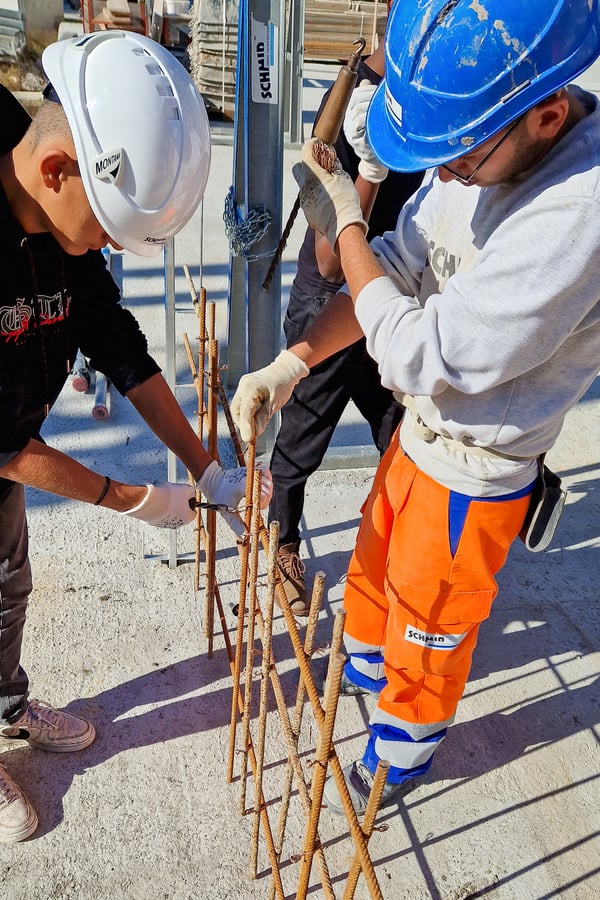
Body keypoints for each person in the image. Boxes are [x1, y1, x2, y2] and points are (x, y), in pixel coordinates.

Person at [231, 0, 600, 817]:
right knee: (372, 570)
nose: (445, 175)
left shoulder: (579, 213)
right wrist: (289, 364)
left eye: (460, 156)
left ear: (544, 115)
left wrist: (350, 220)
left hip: (477, 466)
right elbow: (394, 268)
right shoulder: (484, 147)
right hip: (420, 436)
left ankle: (403, 744)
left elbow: (413, 347)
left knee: (431, 622)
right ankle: (363, 667)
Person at [0, 31, 270, 843]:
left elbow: (119, 347)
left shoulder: (64, 216)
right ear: (58, 170)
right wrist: (128, 498)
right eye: (105, 229)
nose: (111, 248)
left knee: (7, 584)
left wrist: (203, 464)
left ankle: (6, 708)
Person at [269, 2, 423, 615]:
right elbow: (332, 260)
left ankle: (390, 546)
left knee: (401, 435)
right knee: (301, 441)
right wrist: (372, 168)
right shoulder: (349, 118)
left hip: (387, 303)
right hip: (328, 305)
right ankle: (283, 544)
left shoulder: (419, 112)